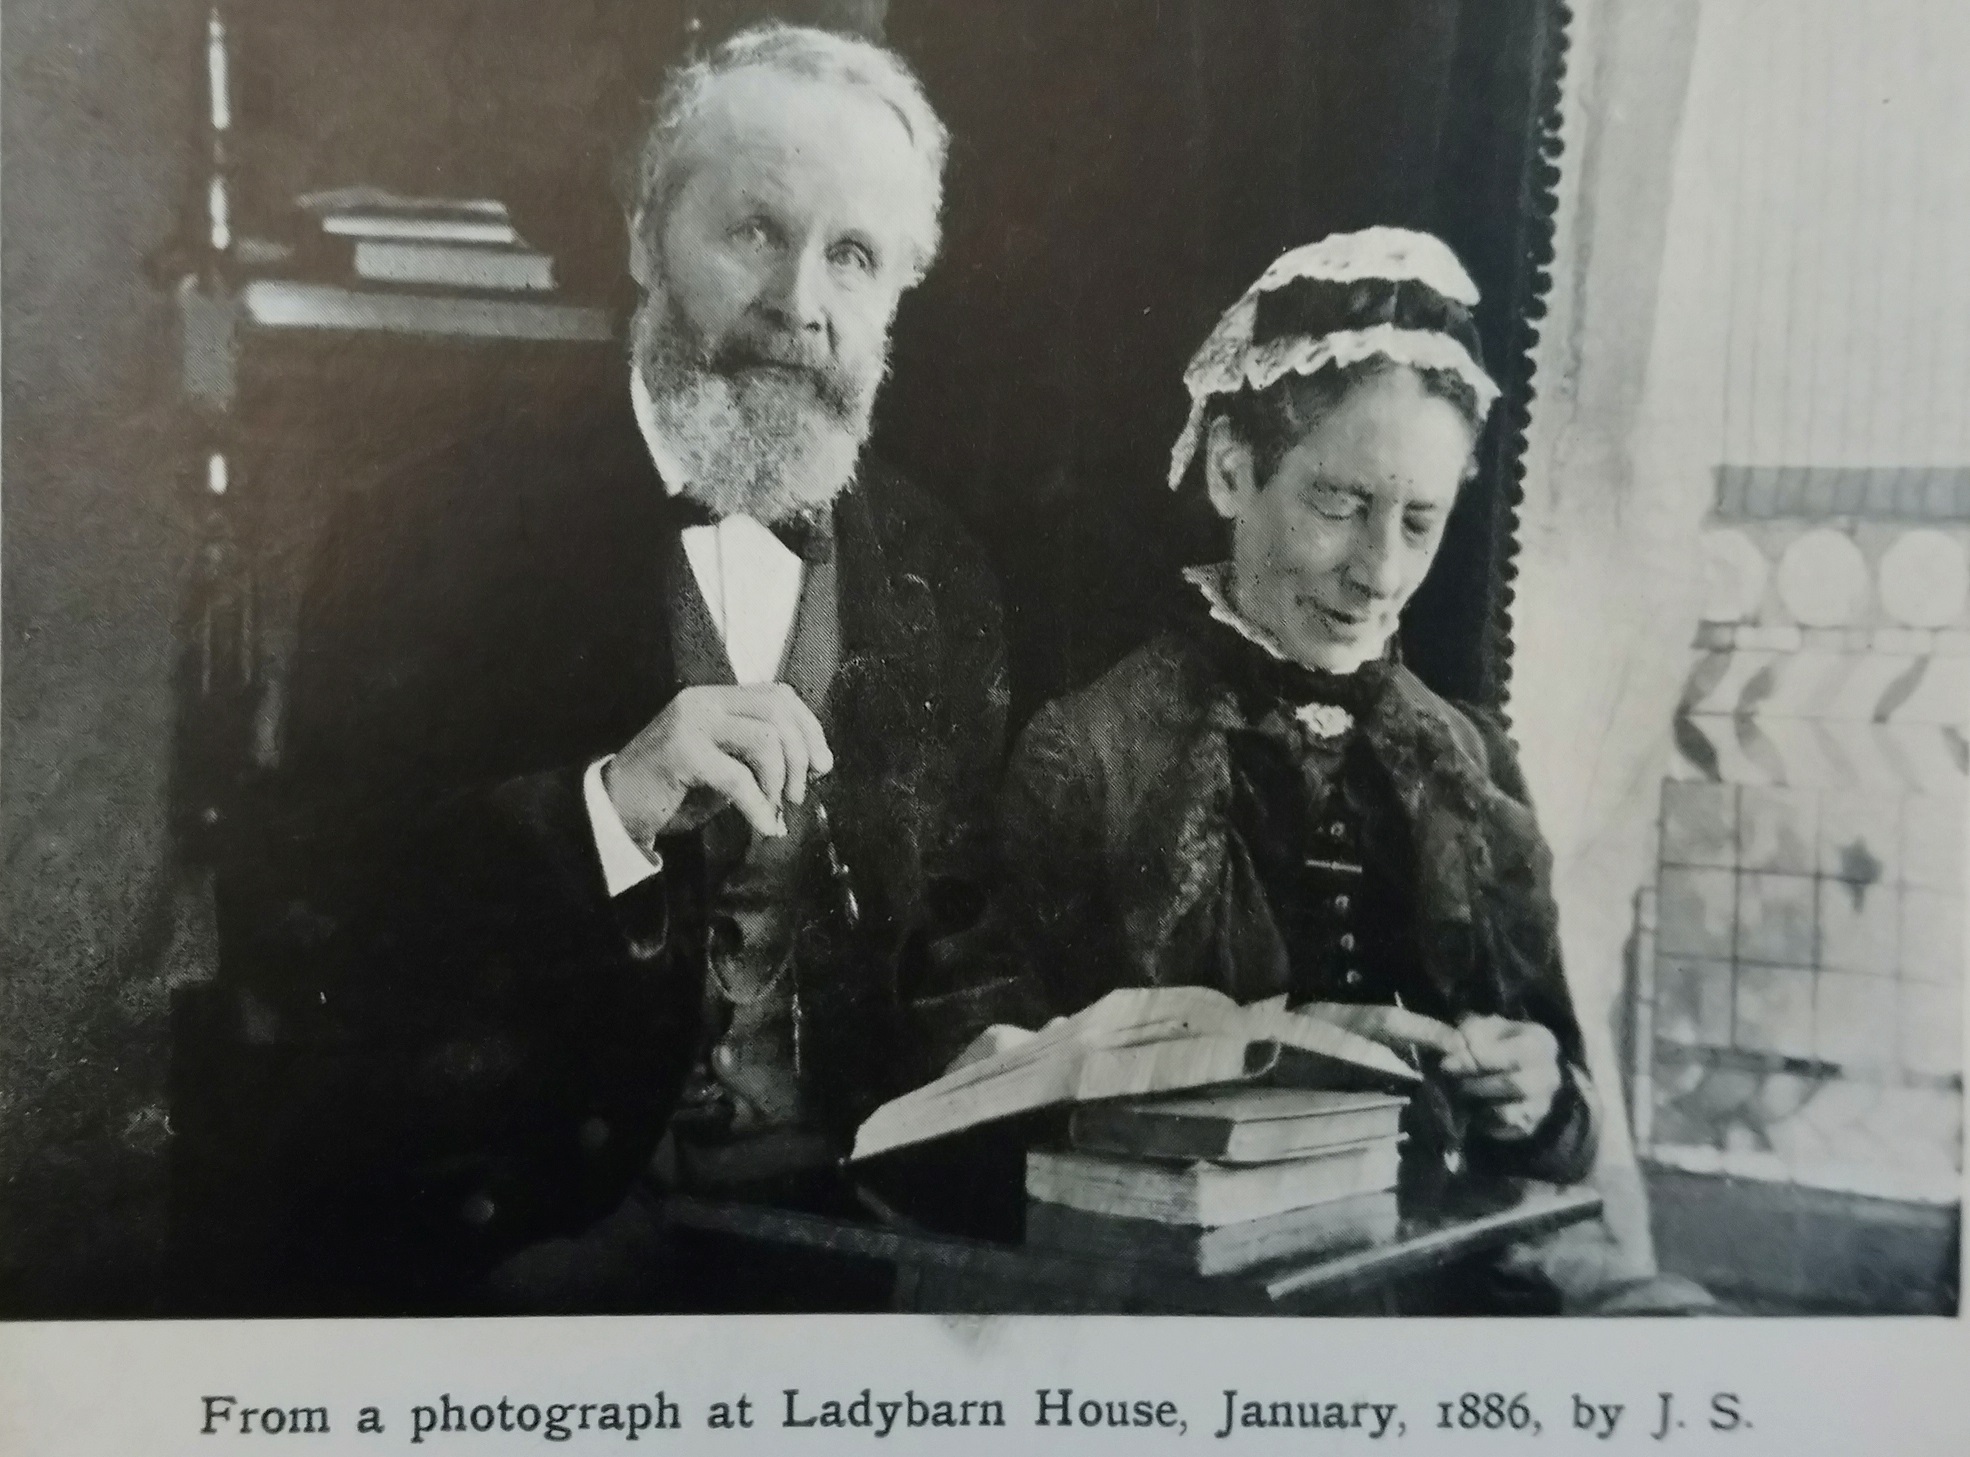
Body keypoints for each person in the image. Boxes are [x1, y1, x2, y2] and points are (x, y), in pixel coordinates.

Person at [171, 23, 1004, 1314]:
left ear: (899, 287)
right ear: (643, 239)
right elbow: (305, 918)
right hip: (537, 1229)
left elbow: (954, 936)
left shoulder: (940, 570)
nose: (799, 301)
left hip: (858, 1240)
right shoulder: (428, 532)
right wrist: (605, 806)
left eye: (852, 254)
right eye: (754, 230)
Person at [925, 228, 1613, 1307]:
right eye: (1338, 506)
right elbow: (976, 1122)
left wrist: (1536, 1094)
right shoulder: (1088, 751)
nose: (1378, 571)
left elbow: (1568, 1133)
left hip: (1428, 1302)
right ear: (1231, 470)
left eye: (1420, 521)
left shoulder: (1469, 761)